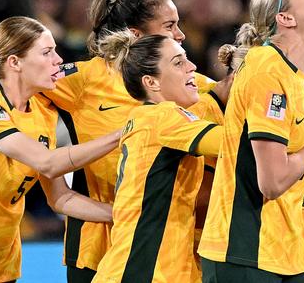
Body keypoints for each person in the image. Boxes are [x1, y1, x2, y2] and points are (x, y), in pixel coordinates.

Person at [0, 0, 229, 283]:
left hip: (160, 242)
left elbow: (229, 91)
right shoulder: (83, 79)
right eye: (170, 26)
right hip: (95, 243)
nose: (180, 35)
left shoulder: (180, 78)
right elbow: (18, 78)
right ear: (135, 33)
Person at [0, 16, 119, 283]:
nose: (57, 60)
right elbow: (47, 163)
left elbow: (61, 199)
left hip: (3, 266)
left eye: (55, 50)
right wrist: (121, 135)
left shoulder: (43, 112)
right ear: (14, 62)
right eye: (46, 52)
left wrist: (120, 213)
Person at [198, 0, 304, 282]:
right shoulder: (265, 71)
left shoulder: (292, 77)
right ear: (285, 18)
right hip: (245, 250)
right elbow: (271, 182)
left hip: (287, 252)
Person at [90, 32, 223, 282]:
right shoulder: (163, 117)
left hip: (164, 268)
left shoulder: (149, 118)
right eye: (178, 62)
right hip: (144, 271)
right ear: (151, 83)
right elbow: (233, 144)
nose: (192, 66)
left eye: (187, 59)